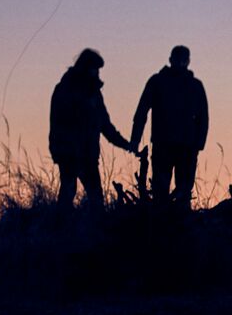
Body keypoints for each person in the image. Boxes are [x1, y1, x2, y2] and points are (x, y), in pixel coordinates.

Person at [49, 48, 138, 211]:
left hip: (88, 154)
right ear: (86, 68)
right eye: (94, 69)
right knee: (69, 192)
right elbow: (58, 123)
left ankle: (93, 231)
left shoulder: (94, 94)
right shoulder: (65, 89)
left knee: (95, 196)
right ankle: (62, 229)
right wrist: (59, 150)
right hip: (70, 152)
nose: (97, 73)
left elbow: (105, 125)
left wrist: (126, 145)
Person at [129, 44, 210, 209]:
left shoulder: (195, 86)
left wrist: (198, 144)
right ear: (171, 60)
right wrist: (135, 140)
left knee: (183, 192)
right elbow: (141, 112)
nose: (180, 62)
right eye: (177, 59)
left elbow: (203, 118)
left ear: (188, 61)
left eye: (183, 59)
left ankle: (181, 228)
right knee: (160, 191)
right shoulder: (157, 82)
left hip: (187, 147)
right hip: (163, 145)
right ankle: (161, 227)